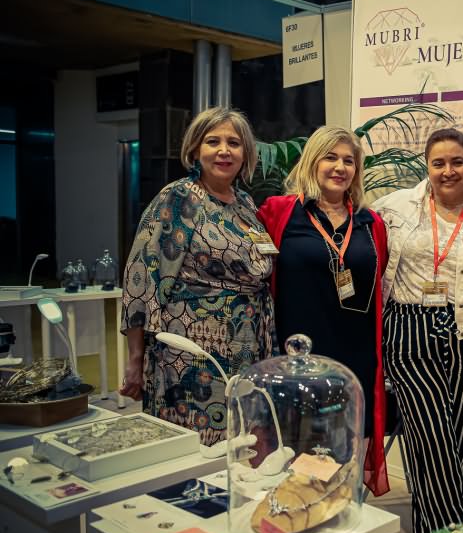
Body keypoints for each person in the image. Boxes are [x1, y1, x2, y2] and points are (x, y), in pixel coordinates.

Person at [120, 107, 275, 446]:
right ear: (194, 149)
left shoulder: (246, 204)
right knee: (194, 445)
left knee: (240, 442)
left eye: (234, 143)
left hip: (247, 344)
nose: (224, 151)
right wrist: (135, 358)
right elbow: (140, 278)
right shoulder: (178, 198)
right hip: (191, 352)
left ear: (246, 153)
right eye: (213, 141)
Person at [373, 128, 463, 533]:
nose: (448, 171)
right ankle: (460, 531)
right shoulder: (394, 207)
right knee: (432, 434)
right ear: (426, 166)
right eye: (438, 163)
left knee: (449, 441)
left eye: (457, 162)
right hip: (409, 329)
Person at [257, 125, 389, 500]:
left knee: (343, 462)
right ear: (312, 162)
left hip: (354, 362)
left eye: (349, 160)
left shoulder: (371, 223)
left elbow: (378, 282)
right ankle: (296, 531)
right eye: (330, 157)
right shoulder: (279, 213)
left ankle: (339, 531)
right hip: (296, 362)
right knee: (296, 464)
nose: (340, 167)